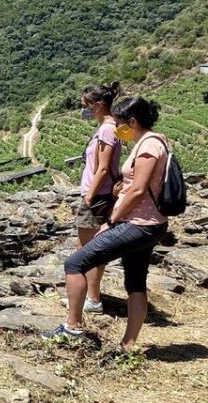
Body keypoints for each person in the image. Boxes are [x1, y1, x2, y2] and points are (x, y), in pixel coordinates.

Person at [44, 97, 170, 348]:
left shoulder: (148, 146)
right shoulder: (155, 141)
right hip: (149, 223)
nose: (117, 129)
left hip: (139, 223)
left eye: (120, 124)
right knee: (135, 283)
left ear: (132, 122)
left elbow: (138, 190)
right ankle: (128, 346)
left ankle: (72, 328)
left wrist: (111, 220)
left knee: (75, 263)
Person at [71, 82, 122, 313]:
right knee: (90, 248)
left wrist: (89, 197)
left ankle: (91, 299)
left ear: (98, 105)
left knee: (87, 250)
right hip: (100, 194)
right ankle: (89, 296)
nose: (84, 109)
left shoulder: (107, 130)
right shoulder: (109, 127)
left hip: (97, 196)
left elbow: (102, 168)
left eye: (86, 105)